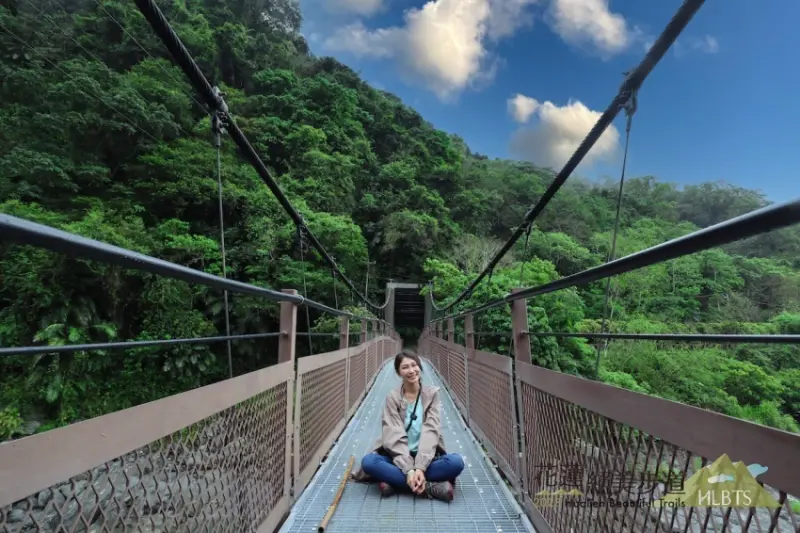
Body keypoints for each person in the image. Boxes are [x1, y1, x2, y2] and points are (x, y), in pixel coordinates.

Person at [350, 349, 465, 502]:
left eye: (414, 365)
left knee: (456, 462)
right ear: (398, 372)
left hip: (427, 459)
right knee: (369, 462)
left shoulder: (431, 395)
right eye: (405, 367)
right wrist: (409, 469)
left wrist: (420, 468)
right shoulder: (393, 397)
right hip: (396, 459)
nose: (411, 371)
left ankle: (395, 482)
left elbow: (431, 431)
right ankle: (430, 486)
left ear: (420, 366)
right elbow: (394, 434)